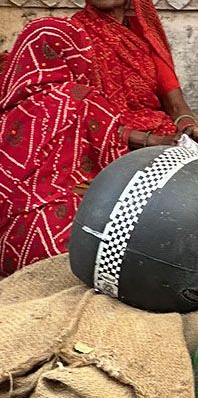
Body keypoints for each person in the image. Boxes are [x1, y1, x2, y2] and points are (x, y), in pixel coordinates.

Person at [0, 18, 126, 276]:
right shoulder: (84, 99)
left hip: (7, 245)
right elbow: (116, 169)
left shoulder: (8, 111)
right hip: (59, 242)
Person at [70, 0, 198, 151]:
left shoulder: (144, 36)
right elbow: (72, 111)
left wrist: (188, 126)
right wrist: (148, 141)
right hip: (101, 142)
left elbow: (175, 103)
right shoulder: (71, 35)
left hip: (161, 133)